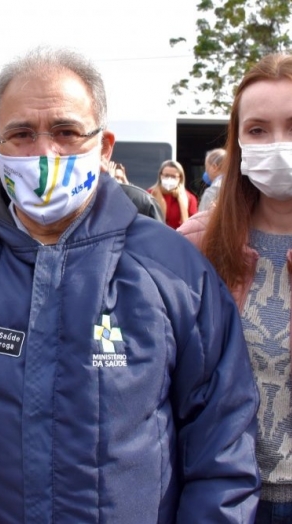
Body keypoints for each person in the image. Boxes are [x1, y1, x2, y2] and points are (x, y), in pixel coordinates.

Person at [0, 46, 260, 523]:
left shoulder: (173, 269)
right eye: (22, 134)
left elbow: (223, 440)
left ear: (105, 146)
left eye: (67, 132)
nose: (44, 153)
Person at [178, 53, 292, 523]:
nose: (278, 145)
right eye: (258, 130)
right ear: (239, 141)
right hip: (227, 498)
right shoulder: (195, 243)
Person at [148, 159, 198, 228]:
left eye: (173, 176)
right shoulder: (150, 194)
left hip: (179, 236)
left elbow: (193, 225)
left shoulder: (189, 198)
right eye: (166, 175)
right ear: (160, 175)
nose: (169, 179)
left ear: (180, 178)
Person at [198, 147, 226, 212]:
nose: (206, 172)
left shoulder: (213, 191)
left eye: (206, 167)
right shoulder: (237, 184)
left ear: (214, 167)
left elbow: (202, 219)